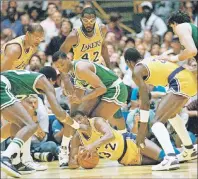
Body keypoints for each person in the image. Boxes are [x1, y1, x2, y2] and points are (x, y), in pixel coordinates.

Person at [0, 67, 85, 178]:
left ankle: (18, 162)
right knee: (30, 126)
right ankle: (5, 157)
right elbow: (59, 113)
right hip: (2, 86)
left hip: (5, 86)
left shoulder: (24, 83)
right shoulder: (46, 83)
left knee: (20, 125)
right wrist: (77, 125)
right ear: (52, 80)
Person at [124, 48, 197, 171]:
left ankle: (170, 157)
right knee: (172, 115)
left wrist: (142, 131)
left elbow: (145, 101)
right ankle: (190, 150)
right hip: (189, 80)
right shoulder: (149, 60)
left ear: (128, 63)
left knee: (156, 122)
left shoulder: (136, 71)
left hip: (179, 81)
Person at [52, 51, 128, 167]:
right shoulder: (73, 73)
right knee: (81, 118)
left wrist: (81, 100)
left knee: (93, 121)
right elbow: (78, 97)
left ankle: (94, 150)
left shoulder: (80, 68)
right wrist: (72, 99)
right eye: (58, 67)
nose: (61, 68)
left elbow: (101, 88)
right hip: (104, 92)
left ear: (68, 58)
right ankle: (71, 155)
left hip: (115, 89)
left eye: (62, 64)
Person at [68, 111, 182, 169]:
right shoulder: (77, 138)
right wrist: (79, 158)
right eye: (75, 122)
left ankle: (185, 151)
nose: (78, 123)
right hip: (124, 159)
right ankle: (183, 153)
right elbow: (72, 162)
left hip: (131, 142)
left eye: (79, 119)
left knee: (164, 156)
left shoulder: (96, 122)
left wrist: (92, 146)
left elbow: (110, 135)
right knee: (162, 162)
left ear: (86, 118)